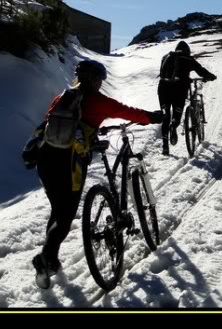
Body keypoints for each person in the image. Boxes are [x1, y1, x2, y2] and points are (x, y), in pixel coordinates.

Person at [31, 59, 163, 289]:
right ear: (94, 79)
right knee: (65, 215)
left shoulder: (62, 97)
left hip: (45, 159)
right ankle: (44, 258)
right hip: (69, 164)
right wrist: (152, 117)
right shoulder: (98, 101)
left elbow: (51, 124)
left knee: (58, 208)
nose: (101, 83)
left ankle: (51, 259)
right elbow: (128, 112)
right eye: (100, 79)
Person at [158, 40, 216, 155]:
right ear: (187, 50)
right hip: (179, 89)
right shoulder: (188, 58)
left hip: (163, 88)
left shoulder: (166, 57)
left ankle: (165, 147)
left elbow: (162, 72)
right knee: (177, 114)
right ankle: (174, 125)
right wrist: (210, 76)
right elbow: (201, 71)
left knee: (165, 116)